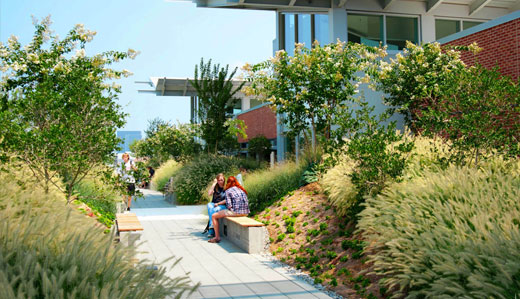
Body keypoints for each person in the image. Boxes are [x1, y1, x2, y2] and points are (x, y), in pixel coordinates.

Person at [208, 176, 250, 243]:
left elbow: (229, 206)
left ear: (228, 183)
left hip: (236, 212)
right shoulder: (241, 189)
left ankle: (217, 237)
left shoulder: (228, 191)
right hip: (246, 212)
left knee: (214, 216)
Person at [204, 173, 227, 238]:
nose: (220, 182)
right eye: (219, 180)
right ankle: (212, 227)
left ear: (224, 180)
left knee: (214, 210)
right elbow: (209, 194)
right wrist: (213, 184)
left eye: (221, 180)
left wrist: (218, 204)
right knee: (209, 205)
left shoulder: (226, 188)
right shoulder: (215, 187)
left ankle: (211, 230)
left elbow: (227, 200)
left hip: (222, 205)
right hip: (214, 204)